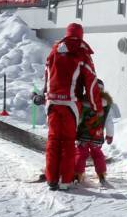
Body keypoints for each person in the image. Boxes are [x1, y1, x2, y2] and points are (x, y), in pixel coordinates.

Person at [35, 22, 102, 190]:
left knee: (53, 141)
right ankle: (65, 181)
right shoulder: (82, 53)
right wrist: (96, 106)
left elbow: (47, 75)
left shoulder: (54, 51)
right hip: (70, 104)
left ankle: (52, 179)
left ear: (66, 34)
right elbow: (91, 82)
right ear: (80, 36)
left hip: (52, 103)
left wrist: (46, 95)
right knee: (67, 141)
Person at [74, 79, 120, 184]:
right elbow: (109, 122)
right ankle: (101, 174)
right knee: (97, 154)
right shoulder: (106, 105)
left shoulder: (83, 101)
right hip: (97, 136)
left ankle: (77, 173)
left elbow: (78, 118)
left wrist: (74, 131)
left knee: (81, 153)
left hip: (83, 135)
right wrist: (109, 135)